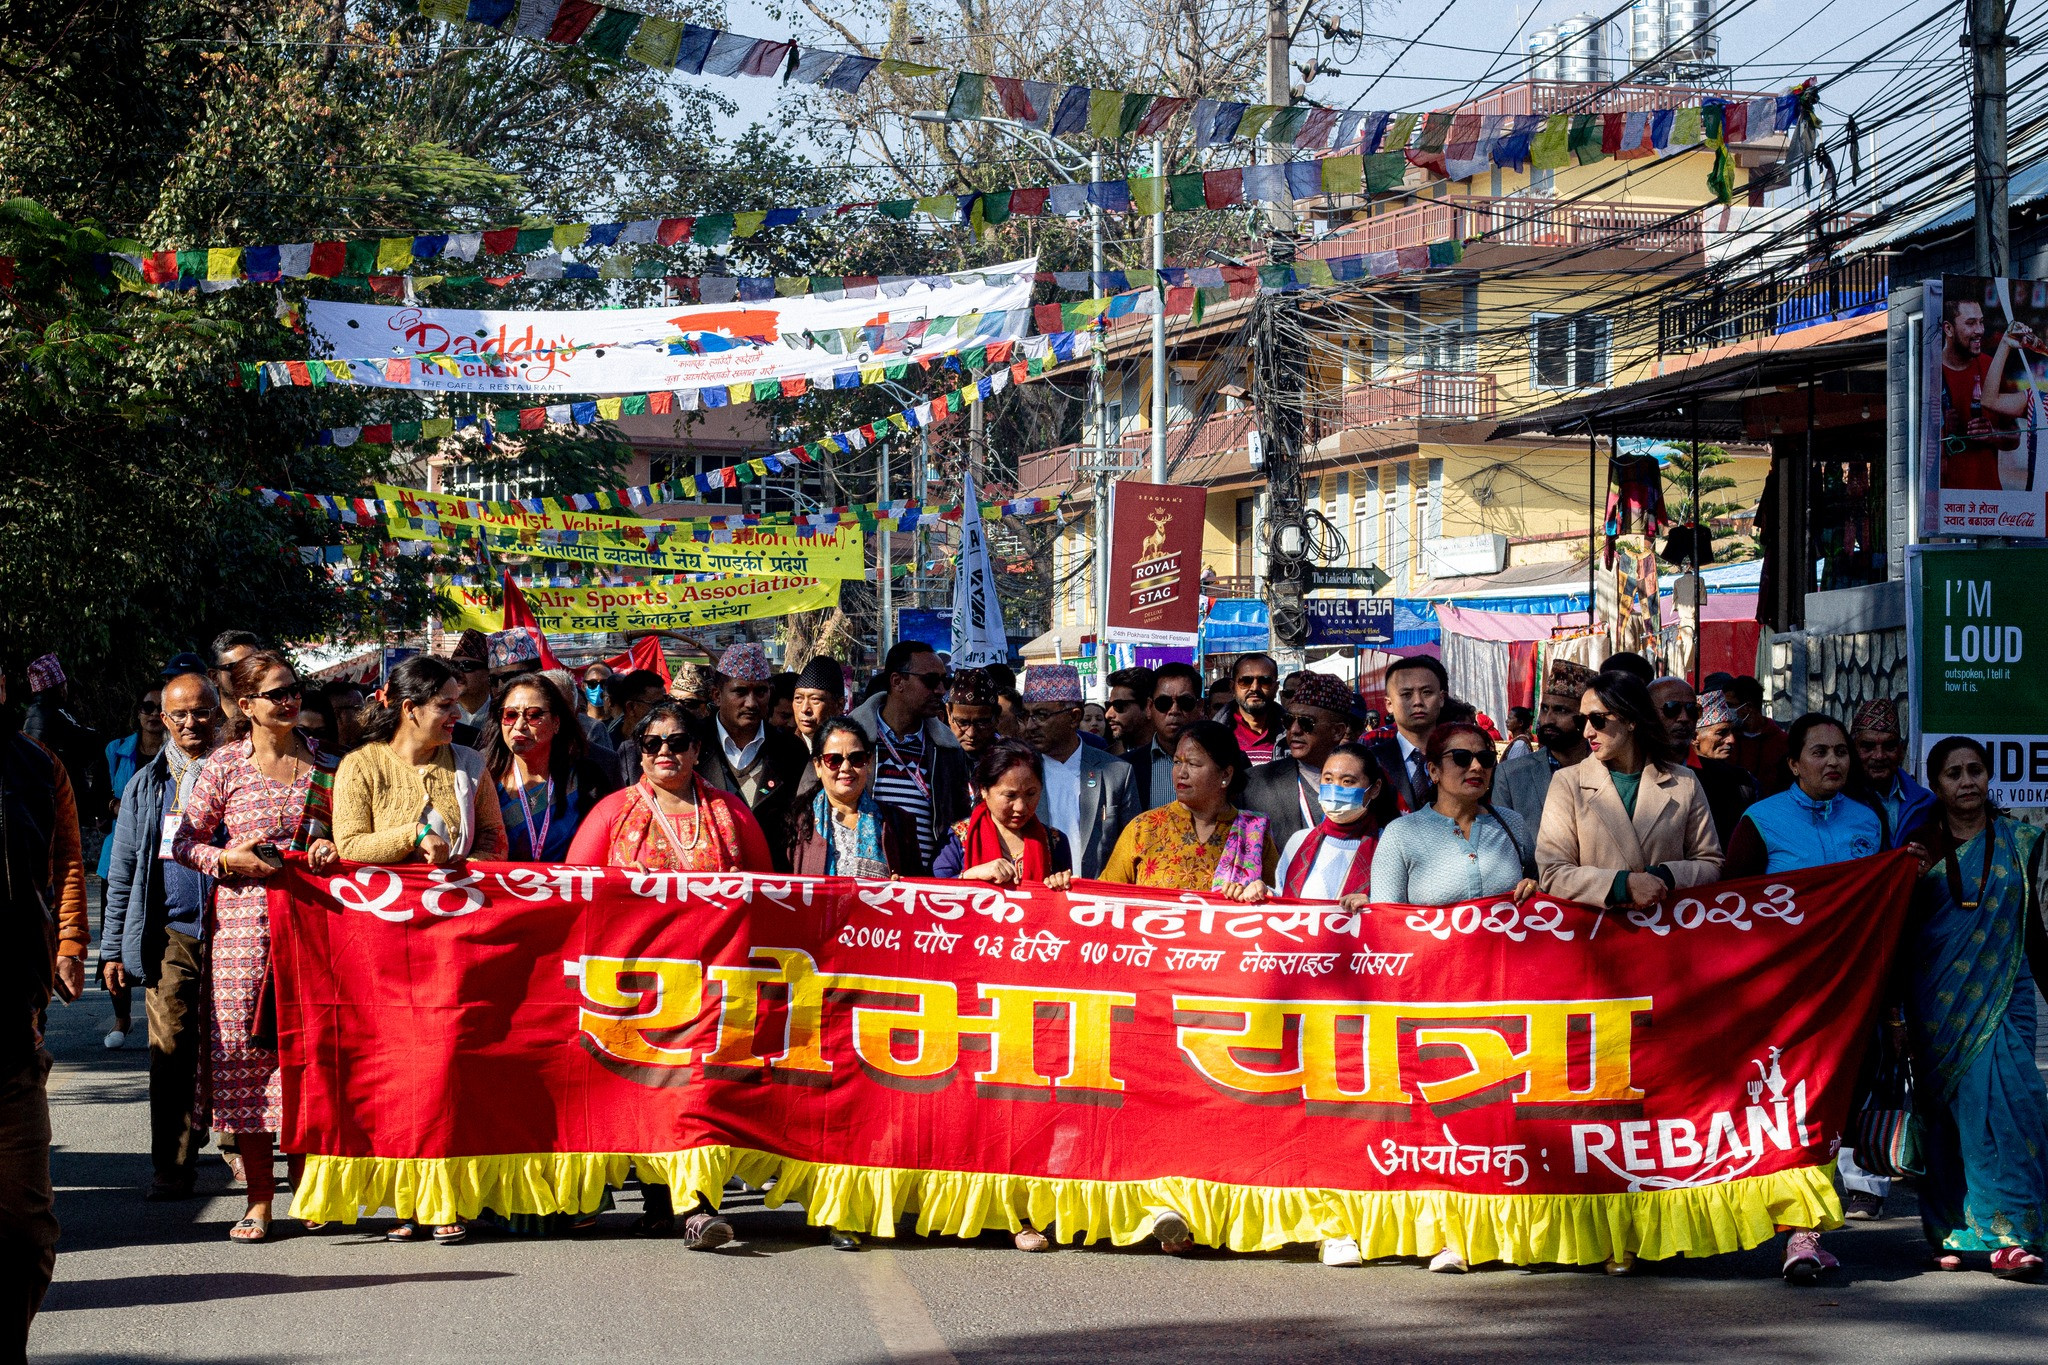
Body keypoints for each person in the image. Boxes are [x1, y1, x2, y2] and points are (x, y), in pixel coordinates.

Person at [564, 701, 773, 1252]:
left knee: (696, 1094)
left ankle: (698, 1207)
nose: (664, 753)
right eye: (652, 743)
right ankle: (660, 1204)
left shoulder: (730, 812)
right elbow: (574, 889)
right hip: (636, 982)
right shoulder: (613, 812)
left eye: (677, 743)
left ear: (697, 750)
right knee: (648, 1093)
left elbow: (770, 894)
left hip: (711, 986)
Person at [172, 651, 341, 1243]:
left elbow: (349, 838)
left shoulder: (329, 766)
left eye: (293, 689)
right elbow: (184, 843)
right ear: (245, 706)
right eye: (275, 693)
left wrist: (331, 852)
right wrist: (226, 858)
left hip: (313, 927)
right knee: (245, 1060)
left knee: (309, 1055)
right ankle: (260, 1200)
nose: (289, 700)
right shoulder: (222, 767)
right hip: (242, 930)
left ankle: (308, 1191)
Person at [1716, 713, 1887, 1278]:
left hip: (1852, 996)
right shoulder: (1760, 821)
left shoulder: (1868, 820)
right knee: (1796, 1108)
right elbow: (1730, 909)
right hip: (1782, 999)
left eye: (1841, 752)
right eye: (1819, 752)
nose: (1834, 761)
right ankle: (1801, 1234)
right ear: (1792, 764)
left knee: (1832, 1108)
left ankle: (1808, 1223)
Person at [1899, 736, 2048, 1278]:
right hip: (1937, 1001)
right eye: (1953, 773)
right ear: (1935, 784)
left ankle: (2011, 1234)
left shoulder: (2021, 840)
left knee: (2014, 1103)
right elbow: (1901, 936)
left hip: (2009, 994)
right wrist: (1894, 1013)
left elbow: (2034, 929)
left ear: (1989, 776)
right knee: (1946, 1116)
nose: (1967, 781)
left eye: (1975, 770)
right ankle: (1954, 1230)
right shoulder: (1919, 848)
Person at [101, 672, 220, 1201]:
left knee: (236, 1049)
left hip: (236, 927)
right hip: (168, 933)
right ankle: (172, 1165)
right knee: (170, 1048)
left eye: (202, 712)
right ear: (163, 720)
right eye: (180, 715)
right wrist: (112, 949)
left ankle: (245, 1156)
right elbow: (123, 869)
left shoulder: (240, 773)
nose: (191, 723)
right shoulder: (145, 784)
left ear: (220, 712)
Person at [0, 666, 88, 1354]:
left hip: (10, 1034)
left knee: (26, 1229)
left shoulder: (34, 766)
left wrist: (68, 938)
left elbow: (63, 860)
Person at [1535, 669, 1723, 913]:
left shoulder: (1684, 781)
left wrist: (1664, 876)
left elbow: (1711, 863)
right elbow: (1552, 871)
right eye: (1583, 721)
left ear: (1631, 720)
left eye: (1598, 720)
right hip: (1598, 932)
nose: (1587, 732)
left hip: (1666, 929)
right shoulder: (1568, 783)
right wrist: (1622, 885)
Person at [1100, 720, 1274, 901]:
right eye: (1177, 762)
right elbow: (1103, 896)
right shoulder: (1144, 829)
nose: (1181, 772)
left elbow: (1281, 901)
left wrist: (1259, 892)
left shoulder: (1253, 833)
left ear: (1226, 774)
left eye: (1193, 764)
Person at [849, 641, 971, 874]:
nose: (941, 690)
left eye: (944, 681)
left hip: (924, 887)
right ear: (897, 681)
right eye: (930, 680)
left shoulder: (947, 749)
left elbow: (960, 823)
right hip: (864, 880)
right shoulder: (850, 739)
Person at [692, 643, 811, 869]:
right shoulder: (691, 742)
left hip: (771, 880)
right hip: (707, 878)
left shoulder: (790, 750)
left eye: (760, 692)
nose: (751, 703)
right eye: (740, 691)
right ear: (717, 695)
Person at [1018, 664, 1138, 880]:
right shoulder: (1018, 772)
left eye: (1041, 715)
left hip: (1096, 902)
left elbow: (1133, 849)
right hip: (1035, 899)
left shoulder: (1116, 773)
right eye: (1026, 715)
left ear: (1074, 717)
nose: (1030, 726)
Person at [481, 672, 615, 862]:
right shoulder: (480, 773)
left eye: (534, 715)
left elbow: (610, 842)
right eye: (510, 715)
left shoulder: (587, 778)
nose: (519, 725)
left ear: (556, 723)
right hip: (497, 889)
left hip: (567, 889)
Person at [96, 686, 166, 1047]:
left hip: (166, 858)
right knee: (116, 939)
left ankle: (164, 1015)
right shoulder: (116, 750)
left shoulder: (181, 752)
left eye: (160, 707)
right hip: (120, 855)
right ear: (138, 713)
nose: (154, 714)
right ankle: (122, 1018)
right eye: (147, 707)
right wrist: (114, 806)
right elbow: (97, 797)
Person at [785, 717, 923, 880]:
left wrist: (901, 886)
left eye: (856, 758)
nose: (846, 768)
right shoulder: (797, 823)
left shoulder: (898, 823)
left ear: (869, 762)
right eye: (834, 760)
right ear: (818, 766)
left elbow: (917, 886)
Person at [932, 741, 1076, 889]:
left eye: (1031, 794)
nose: (1020, 807)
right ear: (984, 790)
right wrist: (970, 876)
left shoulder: (1055, 841)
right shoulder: (956, 838)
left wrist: (1061, 885)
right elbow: (933, 892)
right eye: (1010, 795)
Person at [1244, 672, 1362, 852]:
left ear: (1337, 731)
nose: (1294, 730)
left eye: (1307, 723)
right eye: (1289, 720)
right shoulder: (1256, 783)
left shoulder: (1367, 782)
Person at [1937, 293, 2036, 491]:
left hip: (1989, 504)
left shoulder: (1990, 366)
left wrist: (1992, 434)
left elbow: (2014, 438)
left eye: (1981, 322)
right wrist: (1940, 429)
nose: (1980, 330)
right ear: (1948, 328)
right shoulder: (1930, 371)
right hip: (1946, 505)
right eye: (1971, 323)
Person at [1649, 675, 1757, 848]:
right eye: (1671, 708)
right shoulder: (1628, 775)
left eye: (1692, 710)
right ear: (1648, 715)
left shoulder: (1736, 783)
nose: (1684, 718)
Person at [1273, 742, 1383, 905]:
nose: (1334, 789)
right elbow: (1282, 900)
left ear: (1374, 789)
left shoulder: (1387, 845)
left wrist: (1373, 905)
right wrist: (1261, 892)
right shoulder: (1299, 840)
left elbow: (1397, 907)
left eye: (1347, 782)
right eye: (1328, 779)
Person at [1494, 660, 1596, 827]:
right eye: (1544, 709)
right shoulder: (1511, 775)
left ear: (1585, 717)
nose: (1548, 720)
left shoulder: (1606, 769)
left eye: (1561, 710)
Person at [1366, 655, 1449, 817]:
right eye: (1406, 694)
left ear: (1441, 698)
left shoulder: (1461, 757)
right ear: (1389, 704)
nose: (1417, 701)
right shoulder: (1372, 761)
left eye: (1426, 692)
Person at [1850, 699, 1936, 846]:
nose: (1879, 756)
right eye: (1868, 746)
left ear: (1902, 751)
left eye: (1889, 746)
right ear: (1852, 750)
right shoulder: (1838, 803)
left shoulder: (1927, 804)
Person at [1131, 662, 1204, 809]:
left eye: (1185, 702)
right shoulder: (1127, 767)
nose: (1174, 710)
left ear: (1200, 707)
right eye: (1164, 703)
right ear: (1149, 707)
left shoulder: (1228, 762)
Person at [606, 669, 673, 786]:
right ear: (631, 707)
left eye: (665, 703)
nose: (663, 711)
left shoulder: (669, 745)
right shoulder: (608, 746)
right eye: (657, 705)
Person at [1726, 676, 1789, 793]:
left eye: (1730, 705)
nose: (1725, 710)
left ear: (1748, 707)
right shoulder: (1726, 739)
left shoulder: (1782, 742)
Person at [1228, 652, 1286, 763]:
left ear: (1276, 688)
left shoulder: (1292, 733)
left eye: (1265, 681)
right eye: (1245, 681)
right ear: (1232, 687)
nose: (1255, 688)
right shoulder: (1215, 735)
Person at [945, 669, 1002, 762]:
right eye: (963, 722)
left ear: (996, 716)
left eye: (981, 722)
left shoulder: (1011, 761)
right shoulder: (933, 755)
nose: (971, 733)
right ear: (948, 713)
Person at [789, 656, 845, 749]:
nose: (804, 709)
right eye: (798, 698)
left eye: (815, 700)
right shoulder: (781, 749)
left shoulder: (851, 748)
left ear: (839, 705)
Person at [1104, 665, 1156, 759]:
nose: (1108, 714)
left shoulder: (1178, 757)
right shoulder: (1104, 761)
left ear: (1148, 707)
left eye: (1119, 705)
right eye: (1108, 705)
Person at [210, 630, 261, 704]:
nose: (249, 674)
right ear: (214, 677)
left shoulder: (276, 714)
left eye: (256, 665)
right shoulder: (205, 714)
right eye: (238, 667)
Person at [1694, 688, 1740, 762]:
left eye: (1732, 731)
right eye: (1721, 733)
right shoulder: (1679, 772)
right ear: (1694, 737)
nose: (1731, 740)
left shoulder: (1739, 773)